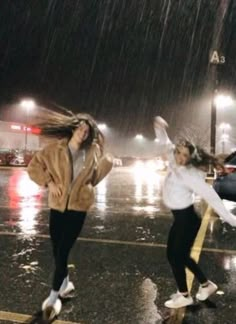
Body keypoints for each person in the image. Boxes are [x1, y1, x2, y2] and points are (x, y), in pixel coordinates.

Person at [28, 111, 113, 320]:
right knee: (57, 251)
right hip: (57, 207)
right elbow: (33, 167)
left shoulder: (92, 151)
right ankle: (66, 284)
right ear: (74, 128)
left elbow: (94, 179)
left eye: (87, 131)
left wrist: (107, 163)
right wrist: (50, 182)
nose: (83, 133)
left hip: (78, 208)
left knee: (63, 250)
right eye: (81, 129)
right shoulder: (55, 149)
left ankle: (53, 296)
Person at [153, 116, 236, 309]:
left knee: (176, 257)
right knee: (176, 255)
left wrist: (232, 220)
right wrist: (159, 127)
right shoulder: (174, 161)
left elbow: (214, 199)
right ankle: (206, 285)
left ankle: (184, 295)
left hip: (188, 220)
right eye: (179, 153)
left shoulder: (192, 176)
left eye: (185, 155)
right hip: (181, 219)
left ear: (190, 157)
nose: (181, 157)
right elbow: (165, 143)